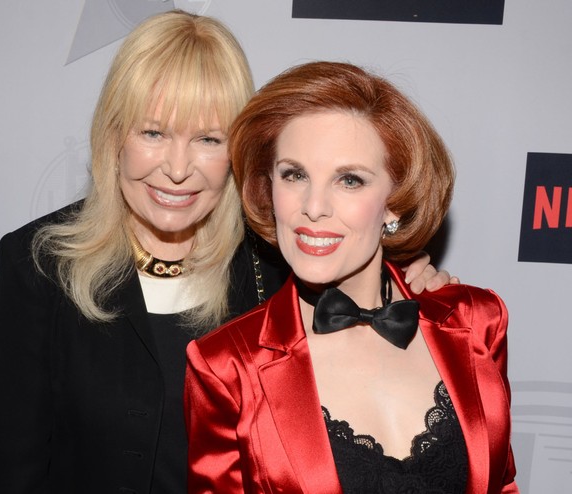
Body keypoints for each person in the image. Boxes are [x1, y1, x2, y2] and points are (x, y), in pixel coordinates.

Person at [0, 11, 451, 494]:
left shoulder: (281, 261)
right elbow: (12, 474)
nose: (177, 169)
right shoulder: (38, 264)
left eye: (207, 139)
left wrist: (415, 285)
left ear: (237, 152)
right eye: (153, 133)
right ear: (113, 135)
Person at [184, 61, 518, 493]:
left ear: (394, 201)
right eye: (294, 175)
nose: (314, 207)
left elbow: (502, 482)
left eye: (349, 180)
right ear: (269, 188)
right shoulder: (227, 368)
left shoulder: (477, 322)